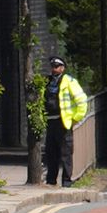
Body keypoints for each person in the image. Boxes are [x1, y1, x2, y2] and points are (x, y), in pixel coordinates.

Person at [43, 56, 88, 187]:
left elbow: (81, 100)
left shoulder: (69, 82)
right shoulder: (47, 81)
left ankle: (67, 182)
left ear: (62, 68)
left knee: (65, 154)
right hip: (50, 122)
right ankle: (51, 181)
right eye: (52, 66)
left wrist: (76, 118)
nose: (54, 69)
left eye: (56, 66)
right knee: (51, 153)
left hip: (64, 122)